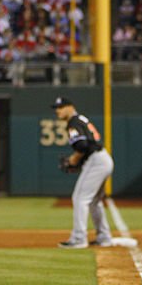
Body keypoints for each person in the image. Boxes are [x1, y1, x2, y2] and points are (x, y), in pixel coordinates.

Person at [53, 97, 114, 249]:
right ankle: (104, 237)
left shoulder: (73, 122)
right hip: (102, 159)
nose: (58, 110)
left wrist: (73, 160)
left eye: (61, 107)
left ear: (70, 107)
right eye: (56, 108)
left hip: (96, 161)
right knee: (93, 201)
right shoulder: (80, 119)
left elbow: (82, 145)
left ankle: (79, 238)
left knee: (80, 198)